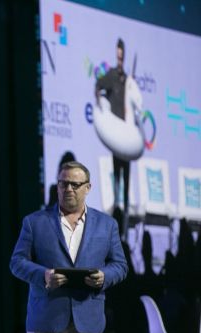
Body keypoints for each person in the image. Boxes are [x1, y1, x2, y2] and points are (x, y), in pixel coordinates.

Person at [10, 161, 128, 333]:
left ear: (88, 187)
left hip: (87, 316)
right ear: (57, 186)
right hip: (45, 317)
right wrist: (43, 275)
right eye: (64, 184)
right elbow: (17, 262)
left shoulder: (107, 225)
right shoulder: (35, 222)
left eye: (75, 184)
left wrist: (104, 277)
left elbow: (120, 266)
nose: (69, 189)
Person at [95, 38, 130, 227]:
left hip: (127, 137)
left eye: (122, 56)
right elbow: (98, 86)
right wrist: (101, 105)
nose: (120, 59)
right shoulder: (111, 76)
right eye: (118, 55)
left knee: (127, 180)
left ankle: (124, 221)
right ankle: (117, 219)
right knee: (117, 178)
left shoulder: (127, 79)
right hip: (117, 137)